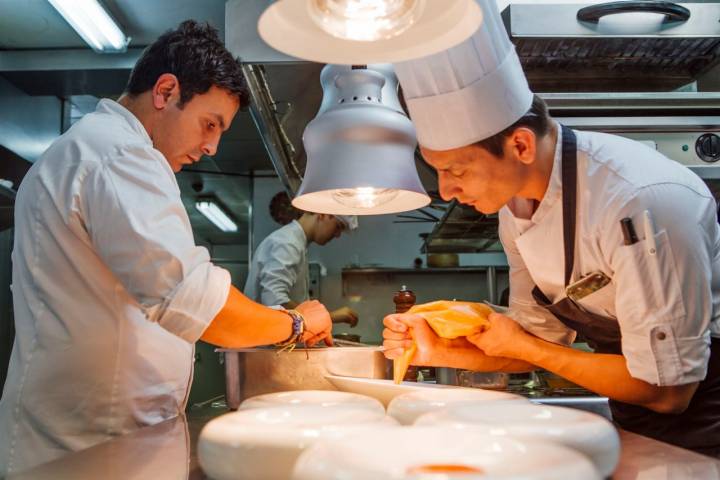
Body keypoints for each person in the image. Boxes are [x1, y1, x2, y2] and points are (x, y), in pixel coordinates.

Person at [383, 0, 720, 456]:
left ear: (519, 144)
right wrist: (432, 351)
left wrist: (531, 348)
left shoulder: (641, 201)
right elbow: (533, 340)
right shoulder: (515, 210)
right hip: (635, 422)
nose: (445, 191)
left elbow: (668, 391)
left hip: (705, 426)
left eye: (455, 170)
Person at [0, 21, 332, 475]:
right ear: (165, 90)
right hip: (87, 449)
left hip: (104, 439)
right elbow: (197, 303)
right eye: (209, 123)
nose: (211, 146)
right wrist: (295, 323)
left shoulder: (97, 149)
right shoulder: (119, 155)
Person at [244, 192, 359, 327]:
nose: (338, 235)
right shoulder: (287, 243)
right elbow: (275, 300)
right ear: (323, 214)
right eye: (338, 226)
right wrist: (329, 316)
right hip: (263, 343)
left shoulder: (297, 243)